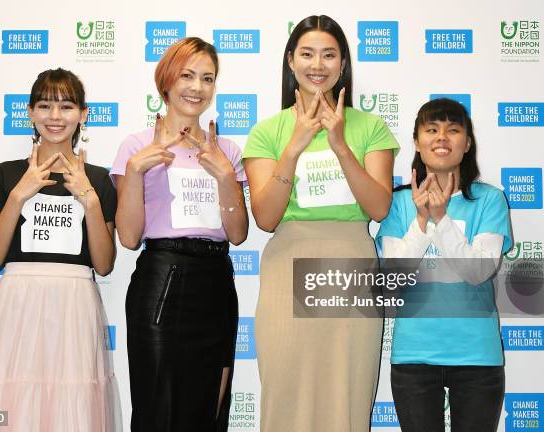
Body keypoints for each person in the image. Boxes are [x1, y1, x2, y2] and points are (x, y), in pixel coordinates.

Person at [243, 15, 399, 432]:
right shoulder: (267, 131)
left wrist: (340, 145)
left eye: (329, 54)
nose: (318, 65)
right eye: (307, 54)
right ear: (291, 61)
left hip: (352, 263)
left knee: (346, 391)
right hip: (287, 267)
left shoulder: (370, 127)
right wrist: (293, 147)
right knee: (286, 391)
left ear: (343, 63)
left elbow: (379, 208)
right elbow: (266, 217)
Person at [0, 68, 121, 431]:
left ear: (83, 114)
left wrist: (90, 200)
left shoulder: (98, 179)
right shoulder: (5, 174)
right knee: (12, 399)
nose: (55, 116)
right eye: (45, 105)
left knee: (73, 402)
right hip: (18, 304)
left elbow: (104, 263)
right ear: (31, 112)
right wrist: (20, 193)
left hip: (75, 304)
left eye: (66, 106)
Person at [111, 37, 248, 431]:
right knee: (159, 410)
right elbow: (129, 237)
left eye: (207, 78)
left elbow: (237, 234)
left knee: (210, 410)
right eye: (187, 75)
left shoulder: (227, 150)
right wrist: (136, 170)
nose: (197, 87)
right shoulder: (136, 146)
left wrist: (224, 176)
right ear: (166, 82)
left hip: (215, 282)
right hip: (162, 281)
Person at [376, 98, 512, 432]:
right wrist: (423, 221)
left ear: (467, 144)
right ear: (417, 142)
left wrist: (441, 218)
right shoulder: (398, 201)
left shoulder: (489, 200)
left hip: (477, 357)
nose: (441, 138)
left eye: (453, 130)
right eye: (432, 130)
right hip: (414, 357)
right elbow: (396, 277)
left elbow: (479, 271)